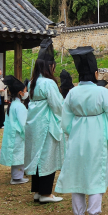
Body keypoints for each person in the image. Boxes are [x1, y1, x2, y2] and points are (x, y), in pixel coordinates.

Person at [55, 46, 108, 215]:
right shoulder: (102, 92)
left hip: (77, 139)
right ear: (96, 73)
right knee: (95, 176)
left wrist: (74, 132)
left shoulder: (72, 93)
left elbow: (65, 121)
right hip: (97, 138)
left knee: (77, 177)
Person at [24, 39, 65, 204]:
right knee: (47, 157)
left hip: (35, 124)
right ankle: (46, 193)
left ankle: (38, 191)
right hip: (46, 124)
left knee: (37, 156)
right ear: (50, 66)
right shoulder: (48, 83)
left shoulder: (33, 82)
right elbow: (57, 105)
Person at [0, 75, 29, 185]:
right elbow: (23, 123)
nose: (26, 93)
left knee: (16, 155)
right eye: (25, 91)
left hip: (13, 134)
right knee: (18, 156)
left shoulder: (12, 105)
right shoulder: (19, 106)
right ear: (20, 93)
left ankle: (16, 176)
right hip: (18, 135)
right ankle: (17, 177)